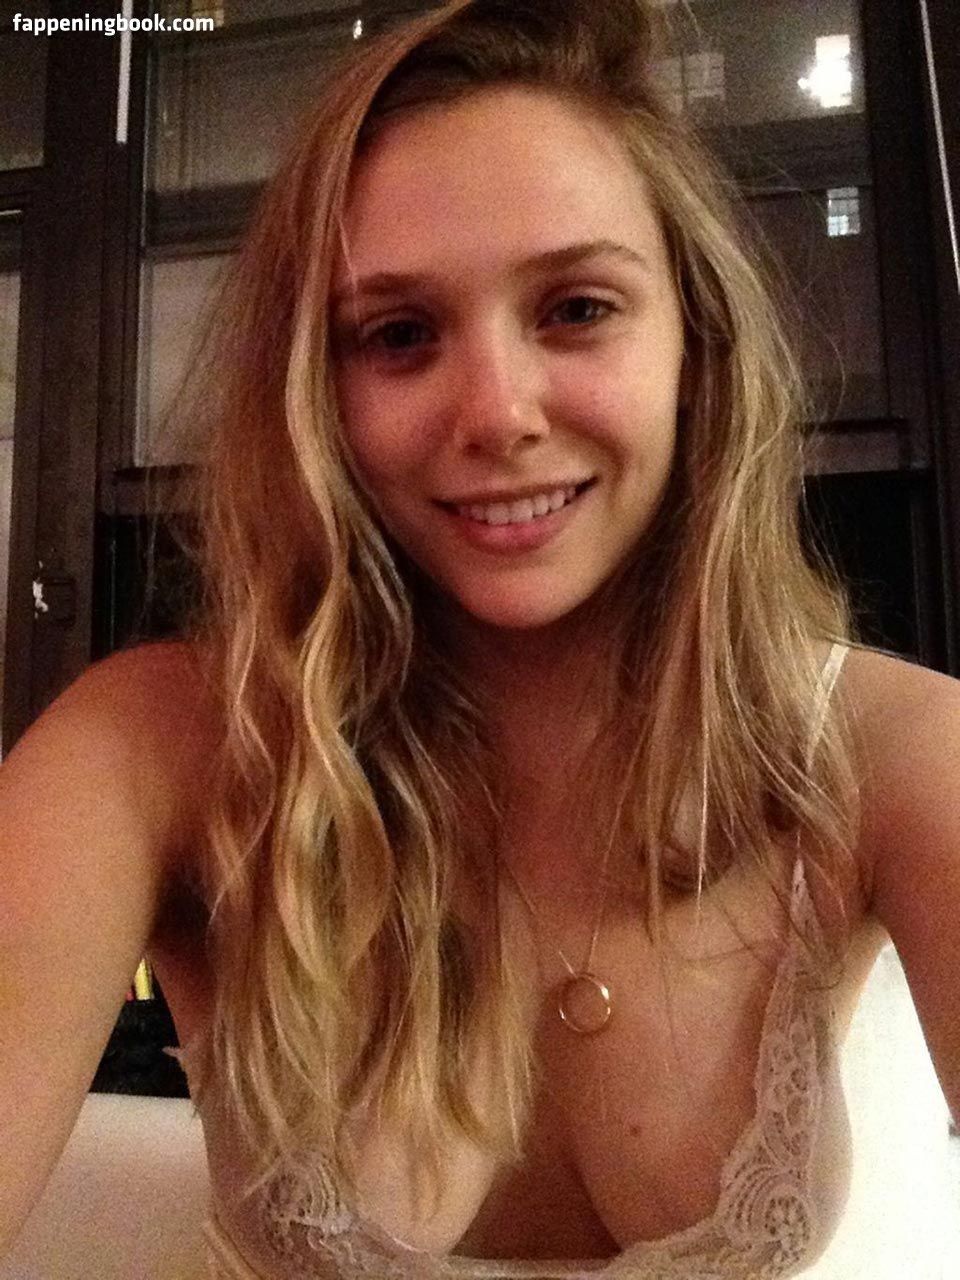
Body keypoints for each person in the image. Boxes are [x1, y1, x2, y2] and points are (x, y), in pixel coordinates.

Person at [1, 0, 958, 1276]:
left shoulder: (901, 754)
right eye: (398, 334)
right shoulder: (151, 750)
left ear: (696, 342)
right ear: (316, 391)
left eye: (577, 308)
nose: (499, 413)